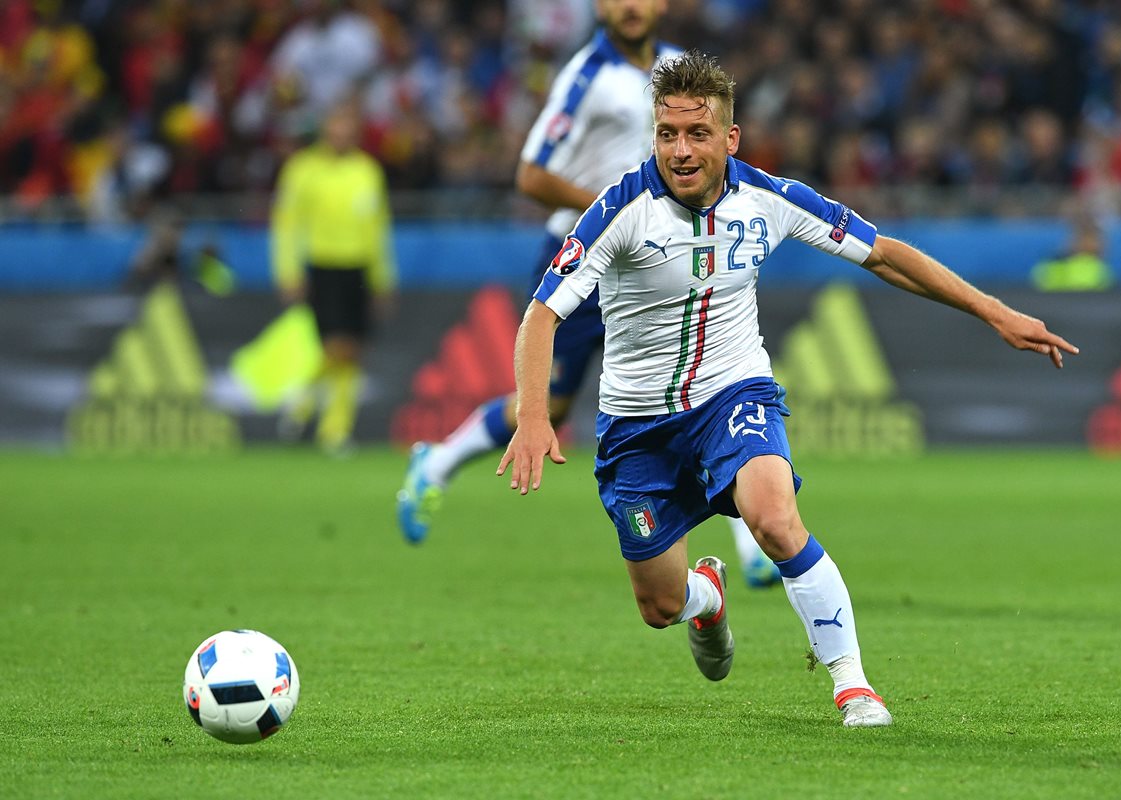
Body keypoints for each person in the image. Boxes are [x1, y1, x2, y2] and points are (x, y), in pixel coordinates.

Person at [498, 51, 1079, 727]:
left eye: (697, 134)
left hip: (732, 396)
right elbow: (541, 314)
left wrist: (995, 311)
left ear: (730, 138)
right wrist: (534, 415)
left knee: (774, 518)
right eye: (667, 134)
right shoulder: (618, 209)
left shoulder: (769, 198)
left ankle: (852, 684)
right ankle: (706, 598)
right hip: (637, 426)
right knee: (659, 607)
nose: (680, 151)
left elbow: (884, 253)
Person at [397, 0, 782, 588]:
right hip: (587, 262)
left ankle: (747, 541)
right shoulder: (585, 77)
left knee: (704, 383)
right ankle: (440, 459)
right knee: (546, 407)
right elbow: (530, 173)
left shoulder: (680, 71)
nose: (631, 7)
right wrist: (616, 214)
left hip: (665, 258)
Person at [271, 97, 395, 455]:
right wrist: (288, 271)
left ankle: (332, 429)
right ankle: (307, 406)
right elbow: (286, 225)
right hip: (322, 267)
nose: (341, 133)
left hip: (358, 267)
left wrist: (382, 278)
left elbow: (378, 229)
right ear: (325, 130)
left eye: (348, 127)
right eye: (335, 126)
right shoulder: (302, 169)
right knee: (335, 347)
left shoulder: (367, 171)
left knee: (352, 352)